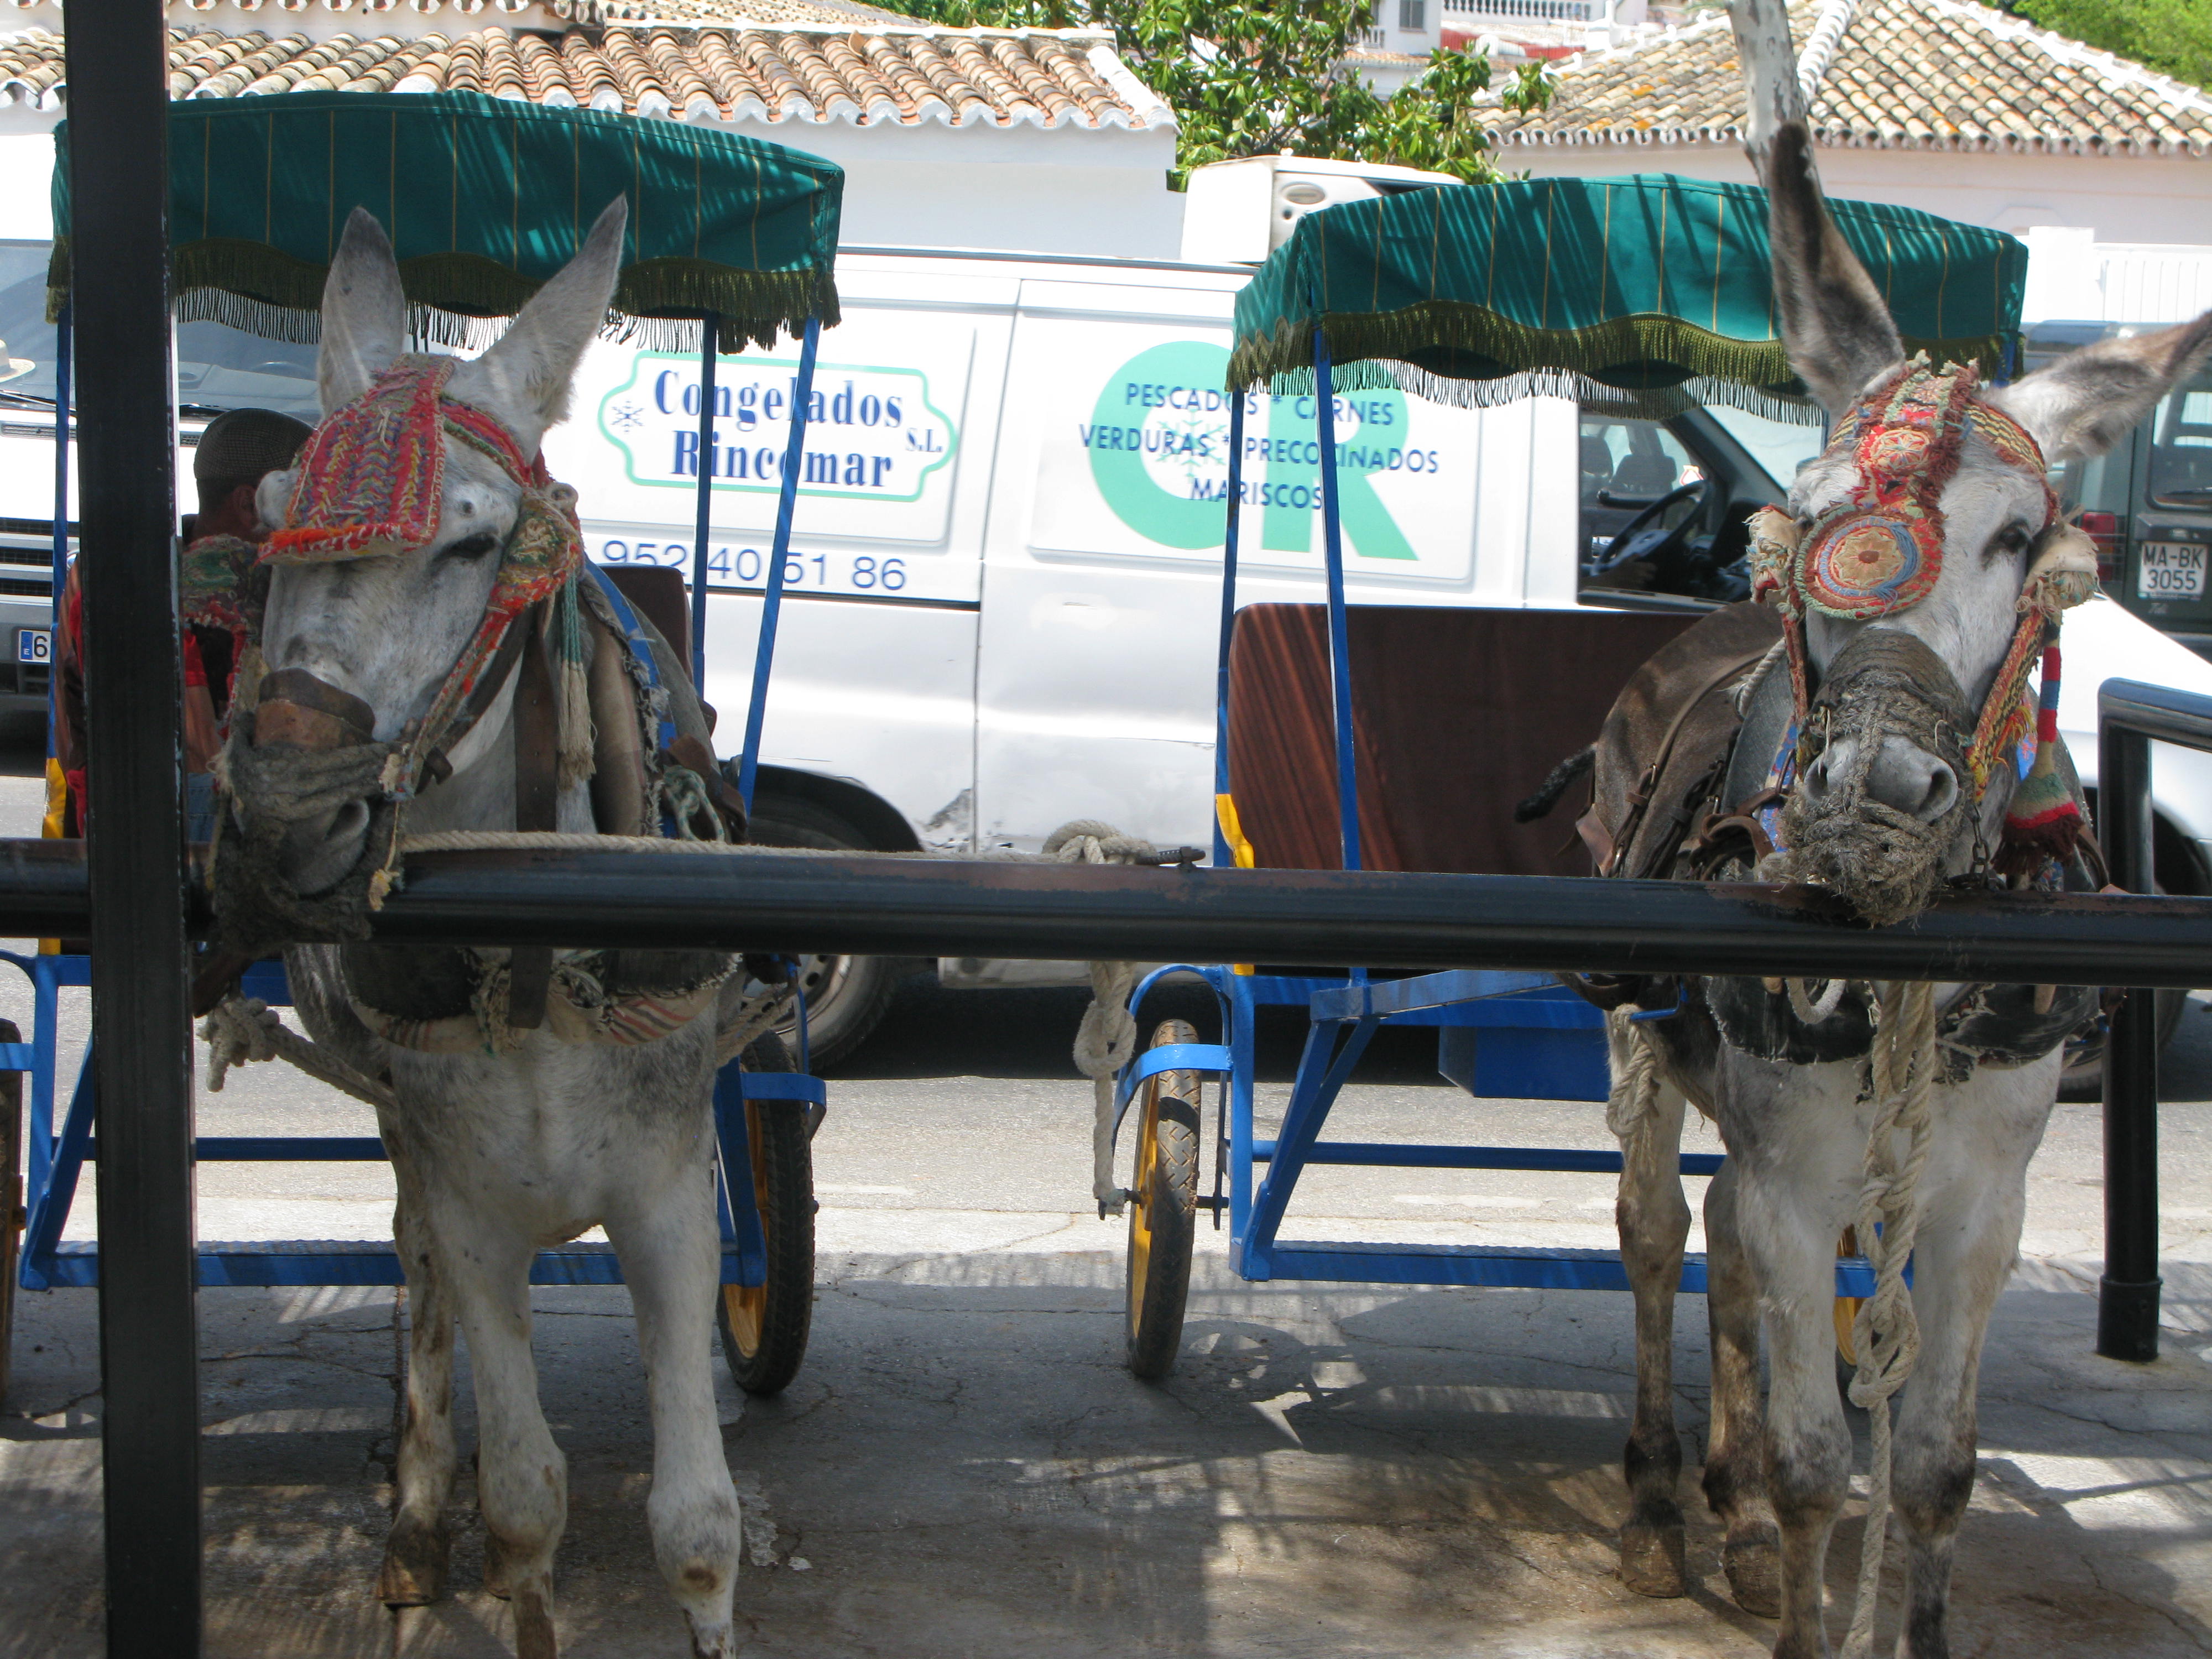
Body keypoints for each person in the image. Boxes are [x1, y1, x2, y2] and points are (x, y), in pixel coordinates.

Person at [53, 406, 313, 839]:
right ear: (250, 504)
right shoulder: (165, 585)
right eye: (305, 497)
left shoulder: (112, 568)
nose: (317, 515)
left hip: (112, 818)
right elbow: (204, 759)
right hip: (173, 830)